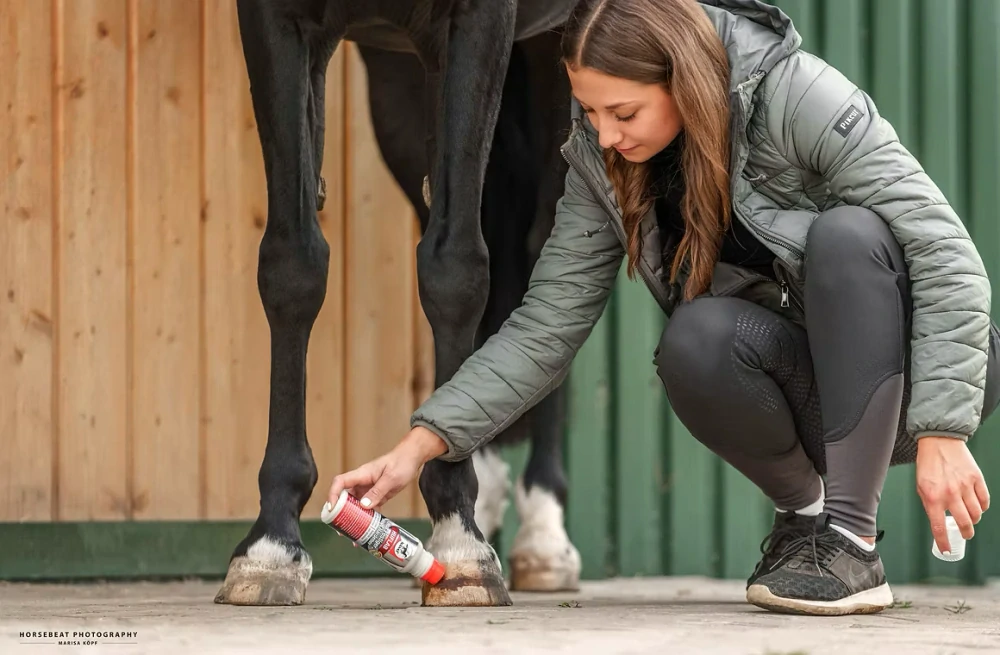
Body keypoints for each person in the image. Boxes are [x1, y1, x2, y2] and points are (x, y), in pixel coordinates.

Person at [328, 0, 999, 615]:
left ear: (682, 80)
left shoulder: (796, 95)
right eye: (589, 113)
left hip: (915, 380)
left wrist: (944, 428)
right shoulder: (602, 160)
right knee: (697, 338)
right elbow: (542, 328)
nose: (606, 134)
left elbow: (946, 253)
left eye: (623, 113)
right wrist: (419, 445)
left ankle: (852, 542)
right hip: (812, 387)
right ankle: (805, 519)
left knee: (849, 235)